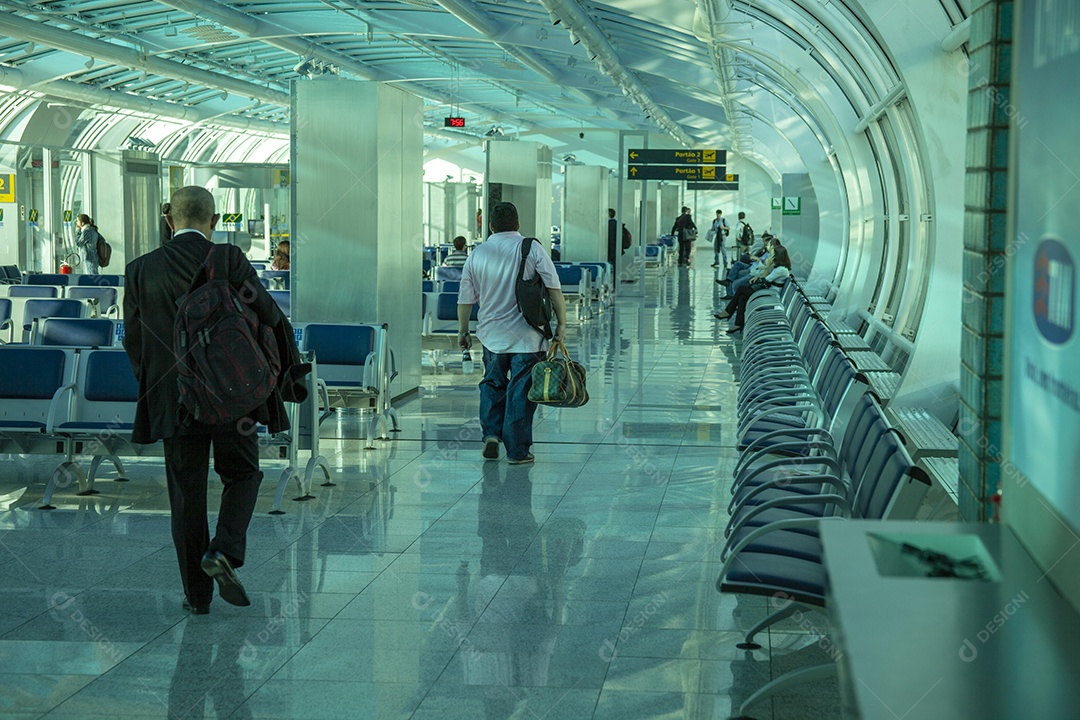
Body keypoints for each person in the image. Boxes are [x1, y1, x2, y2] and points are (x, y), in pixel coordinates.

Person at [123, 185, 305, 615]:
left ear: (169, 219)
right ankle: (222, 550)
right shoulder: (227, 259)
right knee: (242, 475)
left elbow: (134, 342)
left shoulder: (140, 269)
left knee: (186, 497)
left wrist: (162, 389)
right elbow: (270, 316)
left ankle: (197, 598)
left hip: (175, 399)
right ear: (215, 220)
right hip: (232, 397)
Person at [457, 202, 568, 465]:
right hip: (528, 337)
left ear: (491, 225)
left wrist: (463, 331)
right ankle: (517, 451)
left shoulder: (477, 254)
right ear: (518, 224)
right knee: (521, 391)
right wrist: (561, 324)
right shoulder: (532, 248)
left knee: (492, 384)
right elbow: (554, 289)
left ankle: (492, 435)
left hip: (491, 336)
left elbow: (465, 300)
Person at [715, 244, 792, 333]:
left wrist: (767, 266)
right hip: (767, 291)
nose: (770, 256)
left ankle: (728, 312)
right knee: (742, 296)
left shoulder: (781, 270)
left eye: (772, 255)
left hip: (770, 294)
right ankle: (737, 324)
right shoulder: (778, 268)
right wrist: (759, 276)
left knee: (741, 289)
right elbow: (765, 278)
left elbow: (765, 280)